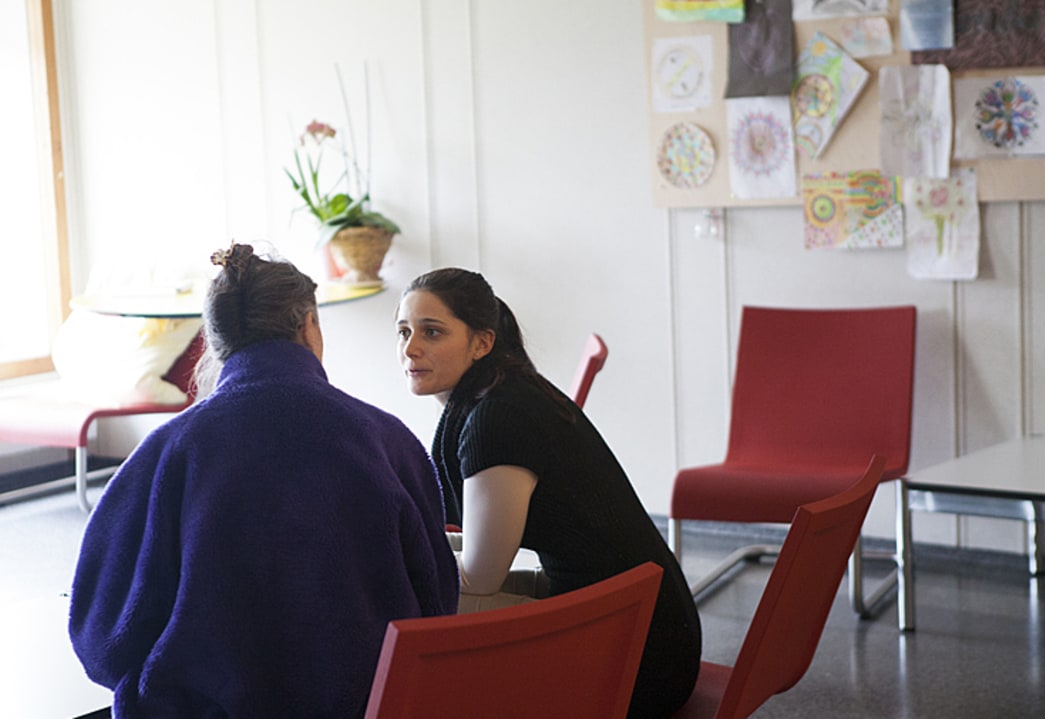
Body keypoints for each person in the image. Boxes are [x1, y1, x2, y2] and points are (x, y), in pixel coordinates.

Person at [70, 243, 458, 718]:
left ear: (215, 341)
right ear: (308, 325)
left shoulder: (167, 453)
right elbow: (437, 603)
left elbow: (102, 639)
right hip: (367, 707)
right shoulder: (387, 441)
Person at [395, 267, 701, 718]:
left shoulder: (496, 419)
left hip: (635, 654)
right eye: (403, 332)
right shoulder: (506, 390)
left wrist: (385, 565)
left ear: (482, 342)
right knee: (405, 591)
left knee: (397, 607)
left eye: (432, 332)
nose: (410, 349)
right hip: (639, 620)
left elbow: (481, 577)